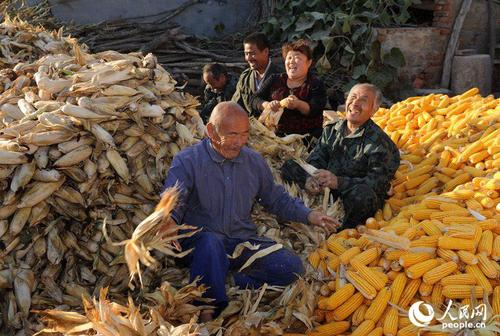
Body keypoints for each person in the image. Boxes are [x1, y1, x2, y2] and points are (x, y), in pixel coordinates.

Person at [163, 102, 338, 321]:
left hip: (239, 241)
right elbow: (173, 196)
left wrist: (310, 215)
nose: (239, 142)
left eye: (244, 134)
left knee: (291, 267)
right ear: (210, 130)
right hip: (200, 243)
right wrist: (168, 219)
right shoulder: (188, 160)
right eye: (232, 134)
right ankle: (209, 310)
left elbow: (275, 198)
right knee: (210, 242)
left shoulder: (254, 161)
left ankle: (231, 282)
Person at [281, 83, 400, 228]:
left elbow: (377, 184)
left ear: (374, 110)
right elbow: (316, 159)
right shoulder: (332, 129)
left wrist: (338, 182)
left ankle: (340, 229)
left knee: (363, 195)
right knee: (289, 165)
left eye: (363, 100)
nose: (355, 103)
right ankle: (304, 212)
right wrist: (311, 178)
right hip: (324, 190)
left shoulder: (380, 143)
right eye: (353, 97)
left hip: (349, 195)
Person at [250, 39, 326, 139]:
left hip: (305, 139)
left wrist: (298, 104)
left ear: (309, 63)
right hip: (272, 137)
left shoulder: (316, 84)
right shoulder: (274, 79)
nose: (291, 61)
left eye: (297, 58)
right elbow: (254, 99)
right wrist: (267, 105)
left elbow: (315, 109)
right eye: (289, 58)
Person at [232, 32, 278, 116]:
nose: (248, 58)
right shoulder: (245, 77)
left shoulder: (280, 74)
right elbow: (235, 105)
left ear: (265, 51)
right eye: (246, 54)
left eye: (252, 54)